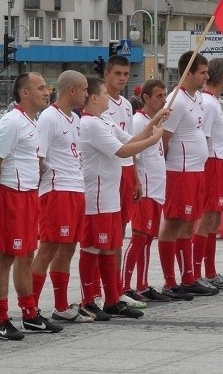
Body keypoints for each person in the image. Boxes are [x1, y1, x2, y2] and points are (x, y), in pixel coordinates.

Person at [78, 76, 166, 320]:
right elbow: (123, 151)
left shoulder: (104, 119)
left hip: (111, 193)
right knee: (93, 247)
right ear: (94, 97)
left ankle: (112, 300)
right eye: (105, 93)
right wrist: (155, 138)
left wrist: (155, 122)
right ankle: (87, 300)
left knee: (109, 248)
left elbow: (130, 140)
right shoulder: (89, 124)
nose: (109, 97)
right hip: (95, 196)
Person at [0, 72, 59, 341]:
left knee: (27, 254)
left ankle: (29, 313)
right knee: (6, 256)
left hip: (30, 194)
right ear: (24, 93)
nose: (46, 91)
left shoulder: (33, 121)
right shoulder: (12, 121)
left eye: (47, 87)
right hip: (11, 194)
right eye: (40, 87)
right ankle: (1, 319)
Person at [30, 71, 93, 325]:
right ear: (71, 91)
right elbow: (39, 156)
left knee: (68, 248)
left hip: (76, 189)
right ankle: (30, 308)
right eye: (85, 90)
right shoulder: (49, 117)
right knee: (48, 248)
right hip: (57, 191)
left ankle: (60, 306)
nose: (88, 95)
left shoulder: (75, 118)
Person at [159, 51, 217, 300]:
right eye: (202, 72)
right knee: (174, 223)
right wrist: (167, 167)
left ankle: (188, 277)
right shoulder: (177, 99)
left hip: (196, 170)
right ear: (189, 72)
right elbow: (164, 136)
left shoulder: (197, 99)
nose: (206, 77)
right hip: (180, 171)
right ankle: (170, 282)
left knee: (189, 223)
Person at [101, 55, 145, 309]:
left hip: (127, 171)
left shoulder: (127, 105)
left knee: (120, 231)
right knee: (107, 234)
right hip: (108, 172)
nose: (121, 79)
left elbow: (131, 142)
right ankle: (104, 288)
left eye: (126, 74)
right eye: (117, 73)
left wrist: (136, 176)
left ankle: (116, 287)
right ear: (107, 74)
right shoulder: (99, 102)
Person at [120, 79, 171, 302]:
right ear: (146, 98)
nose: (164, 100)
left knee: (149, 238)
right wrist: (136, 182)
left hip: (157, 188)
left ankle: (142, 283)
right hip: (146, 189)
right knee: (140, 236)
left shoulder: (156, 122)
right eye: (158, 96)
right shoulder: (139, 121)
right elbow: (133, 153)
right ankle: (125, 285)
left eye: (165, 95)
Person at [193, 58, 223, 291]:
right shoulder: (209, 104)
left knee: (215, 219)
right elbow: (203, 136)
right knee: (207, 218)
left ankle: (210, 272)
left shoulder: (212, 102)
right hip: (212, 162)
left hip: (219, 161)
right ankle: (197, 272)